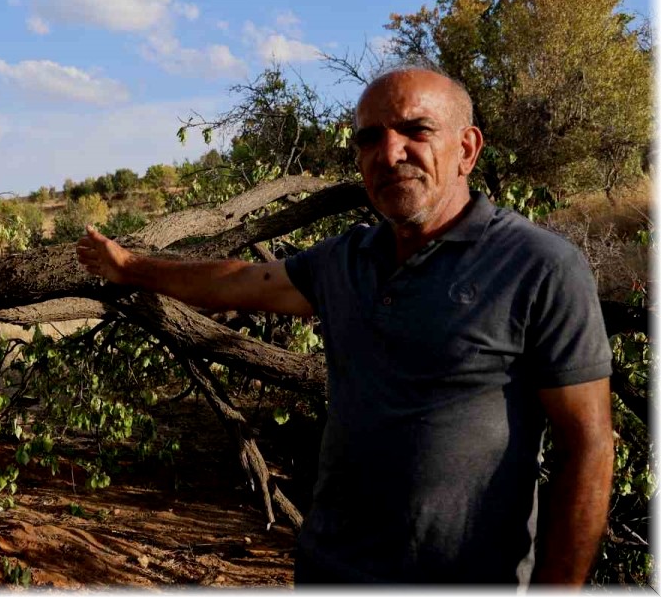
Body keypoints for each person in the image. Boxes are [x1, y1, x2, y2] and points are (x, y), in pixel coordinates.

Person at [74, 67, 614, 586]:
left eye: (416, 130)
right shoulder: (345, 260)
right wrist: (129, 267)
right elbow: (240, 282)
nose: (390, 153)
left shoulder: (538, 266)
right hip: (329, 571)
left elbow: (587, 446)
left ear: (467, 149)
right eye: (370, 138)